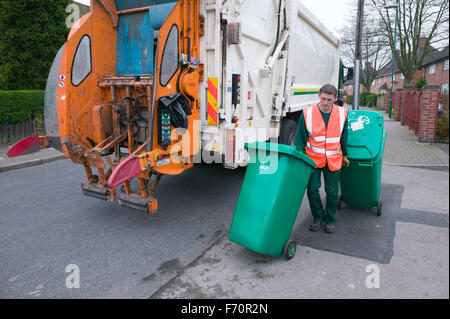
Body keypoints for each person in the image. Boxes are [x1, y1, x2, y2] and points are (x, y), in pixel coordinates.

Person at [294, 84, 350, 233]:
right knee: (312, 190)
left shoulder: (342, 113)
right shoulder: (307, 113)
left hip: (333, 159)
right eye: (323, 99)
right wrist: (300, 158)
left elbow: (344, 136)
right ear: (319, 95)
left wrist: (345, 154)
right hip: (313, 159)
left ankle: (330, 219)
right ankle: (318, 216)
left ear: (335, 98)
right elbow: (300, 140)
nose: (325, 103)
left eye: (329, 100)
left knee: (332, 193)